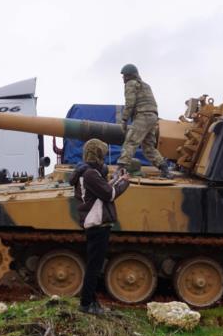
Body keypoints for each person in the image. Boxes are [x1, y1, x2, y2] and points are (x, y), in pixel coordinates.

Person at [70, 139, 131, 315]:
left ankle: (92, 302)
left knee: (94, 266)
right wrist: (124, 182)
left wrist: (114, 179)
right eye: (102, 153)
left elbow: (101, 191)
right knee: (94, 267)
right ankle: (86, 303)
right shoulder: (90, 174)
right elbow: (109, 194)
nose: (104, 157)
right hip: (97, 222)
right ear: (97, 154)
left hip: (96, 222)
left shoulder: (89, 173)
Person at [117, 63, 172, 179]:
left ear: (129, 76)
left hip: (142, 115)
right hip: (152, 117)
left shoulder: (130, 84)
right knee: (148, 148)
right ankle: (165, 169)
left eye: (124, 75)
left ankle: (120, 168)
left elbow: (130, 103)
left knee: (130, 141)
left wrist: (124, 119)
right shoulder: (145, 85)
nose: (123, 78)